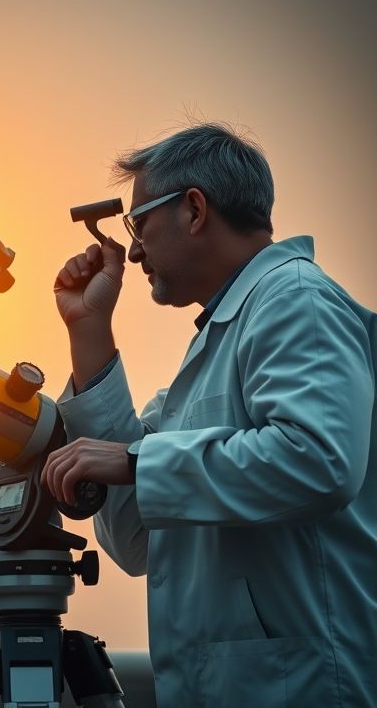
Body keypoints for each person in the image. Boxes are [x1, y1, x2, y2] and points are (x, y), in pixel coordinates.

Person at [41, 123, 376, 707]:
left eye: (139, 223)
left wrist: (137, 461)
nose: (133, 251)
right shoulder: (220, 343)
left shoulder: (296, 300)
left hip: (300, 687)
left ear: (194, 209)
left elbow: (320, 460)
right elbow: (136, 537)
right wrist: (88, 331)